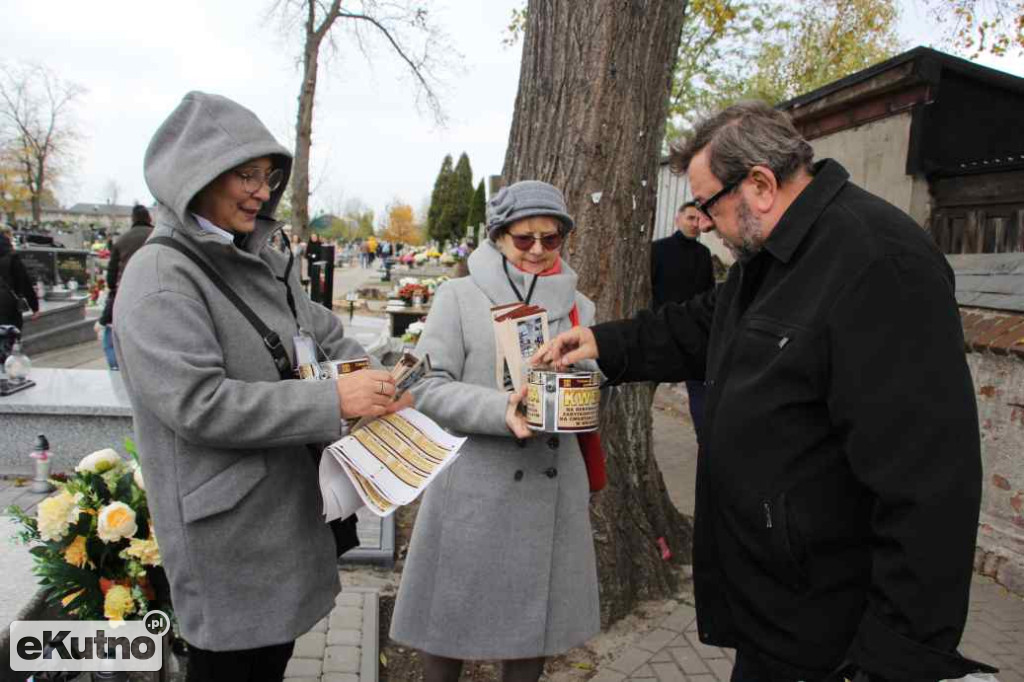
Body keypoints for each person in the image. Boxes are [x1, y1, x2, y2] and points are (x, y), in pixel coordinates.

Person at [534, 101, 994, 682]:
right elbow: (706, 323)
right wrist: (603, 343)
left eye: (707, 206)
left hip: (838, 635)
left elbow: (928, 486)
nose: (701, 222)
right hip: (778, 612)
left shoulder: (878, 262)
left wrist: (894, 659)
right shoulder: (771, 257)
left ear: (760, 184)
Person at [112, 92, 411, 682]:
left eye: (267, 176)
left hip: (278, 520)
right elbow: (198, 404)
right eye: (244, 175)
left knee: (270, 661)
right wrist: (333, 401)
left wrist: (378, 381)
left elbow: (319, 333)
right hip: (229, 543)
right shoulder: (159, 275)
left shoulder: (254, 257)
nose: (261, 191)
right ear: (194, 175)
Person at [390, 181, 601, 682]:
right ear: (498, 237)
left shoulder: (581, 307)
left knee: (533, 624)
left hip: (549, 487)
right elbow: (428, 387)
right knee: (448, 617)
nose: (537, 251)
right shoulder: (458, 296)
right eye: (523, 238)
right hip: (474, 484)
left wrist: (582, 388)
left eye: (550, 240)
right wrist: (499, 408)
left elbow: (590, 382)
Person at [651, 199, 714, 442]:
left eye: (699, 219)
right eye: (690, 218)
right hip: (661, 332)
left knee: (700, 393)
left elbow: (709, 294)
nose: (695, 224)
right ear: (677, 219)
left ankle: (706, 442)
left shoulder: (704, 254)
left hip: (694, 335)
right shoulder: (657, 249)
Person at [97, 205, 154, 370]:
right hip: (153, 290)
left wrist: (113, 291)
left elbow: (112, 273)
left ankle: (117, 368)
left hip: (127, 292)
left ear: (133, 219)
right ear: (149, 218)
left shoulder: (121, 240)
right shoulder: (157, 235)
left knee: (114, 335)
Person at [0, 228, 40, 331]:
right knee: (9, 336)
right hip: (8, 303)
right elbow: (24, 281)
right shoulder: (12, 257)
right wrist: (34, 307)